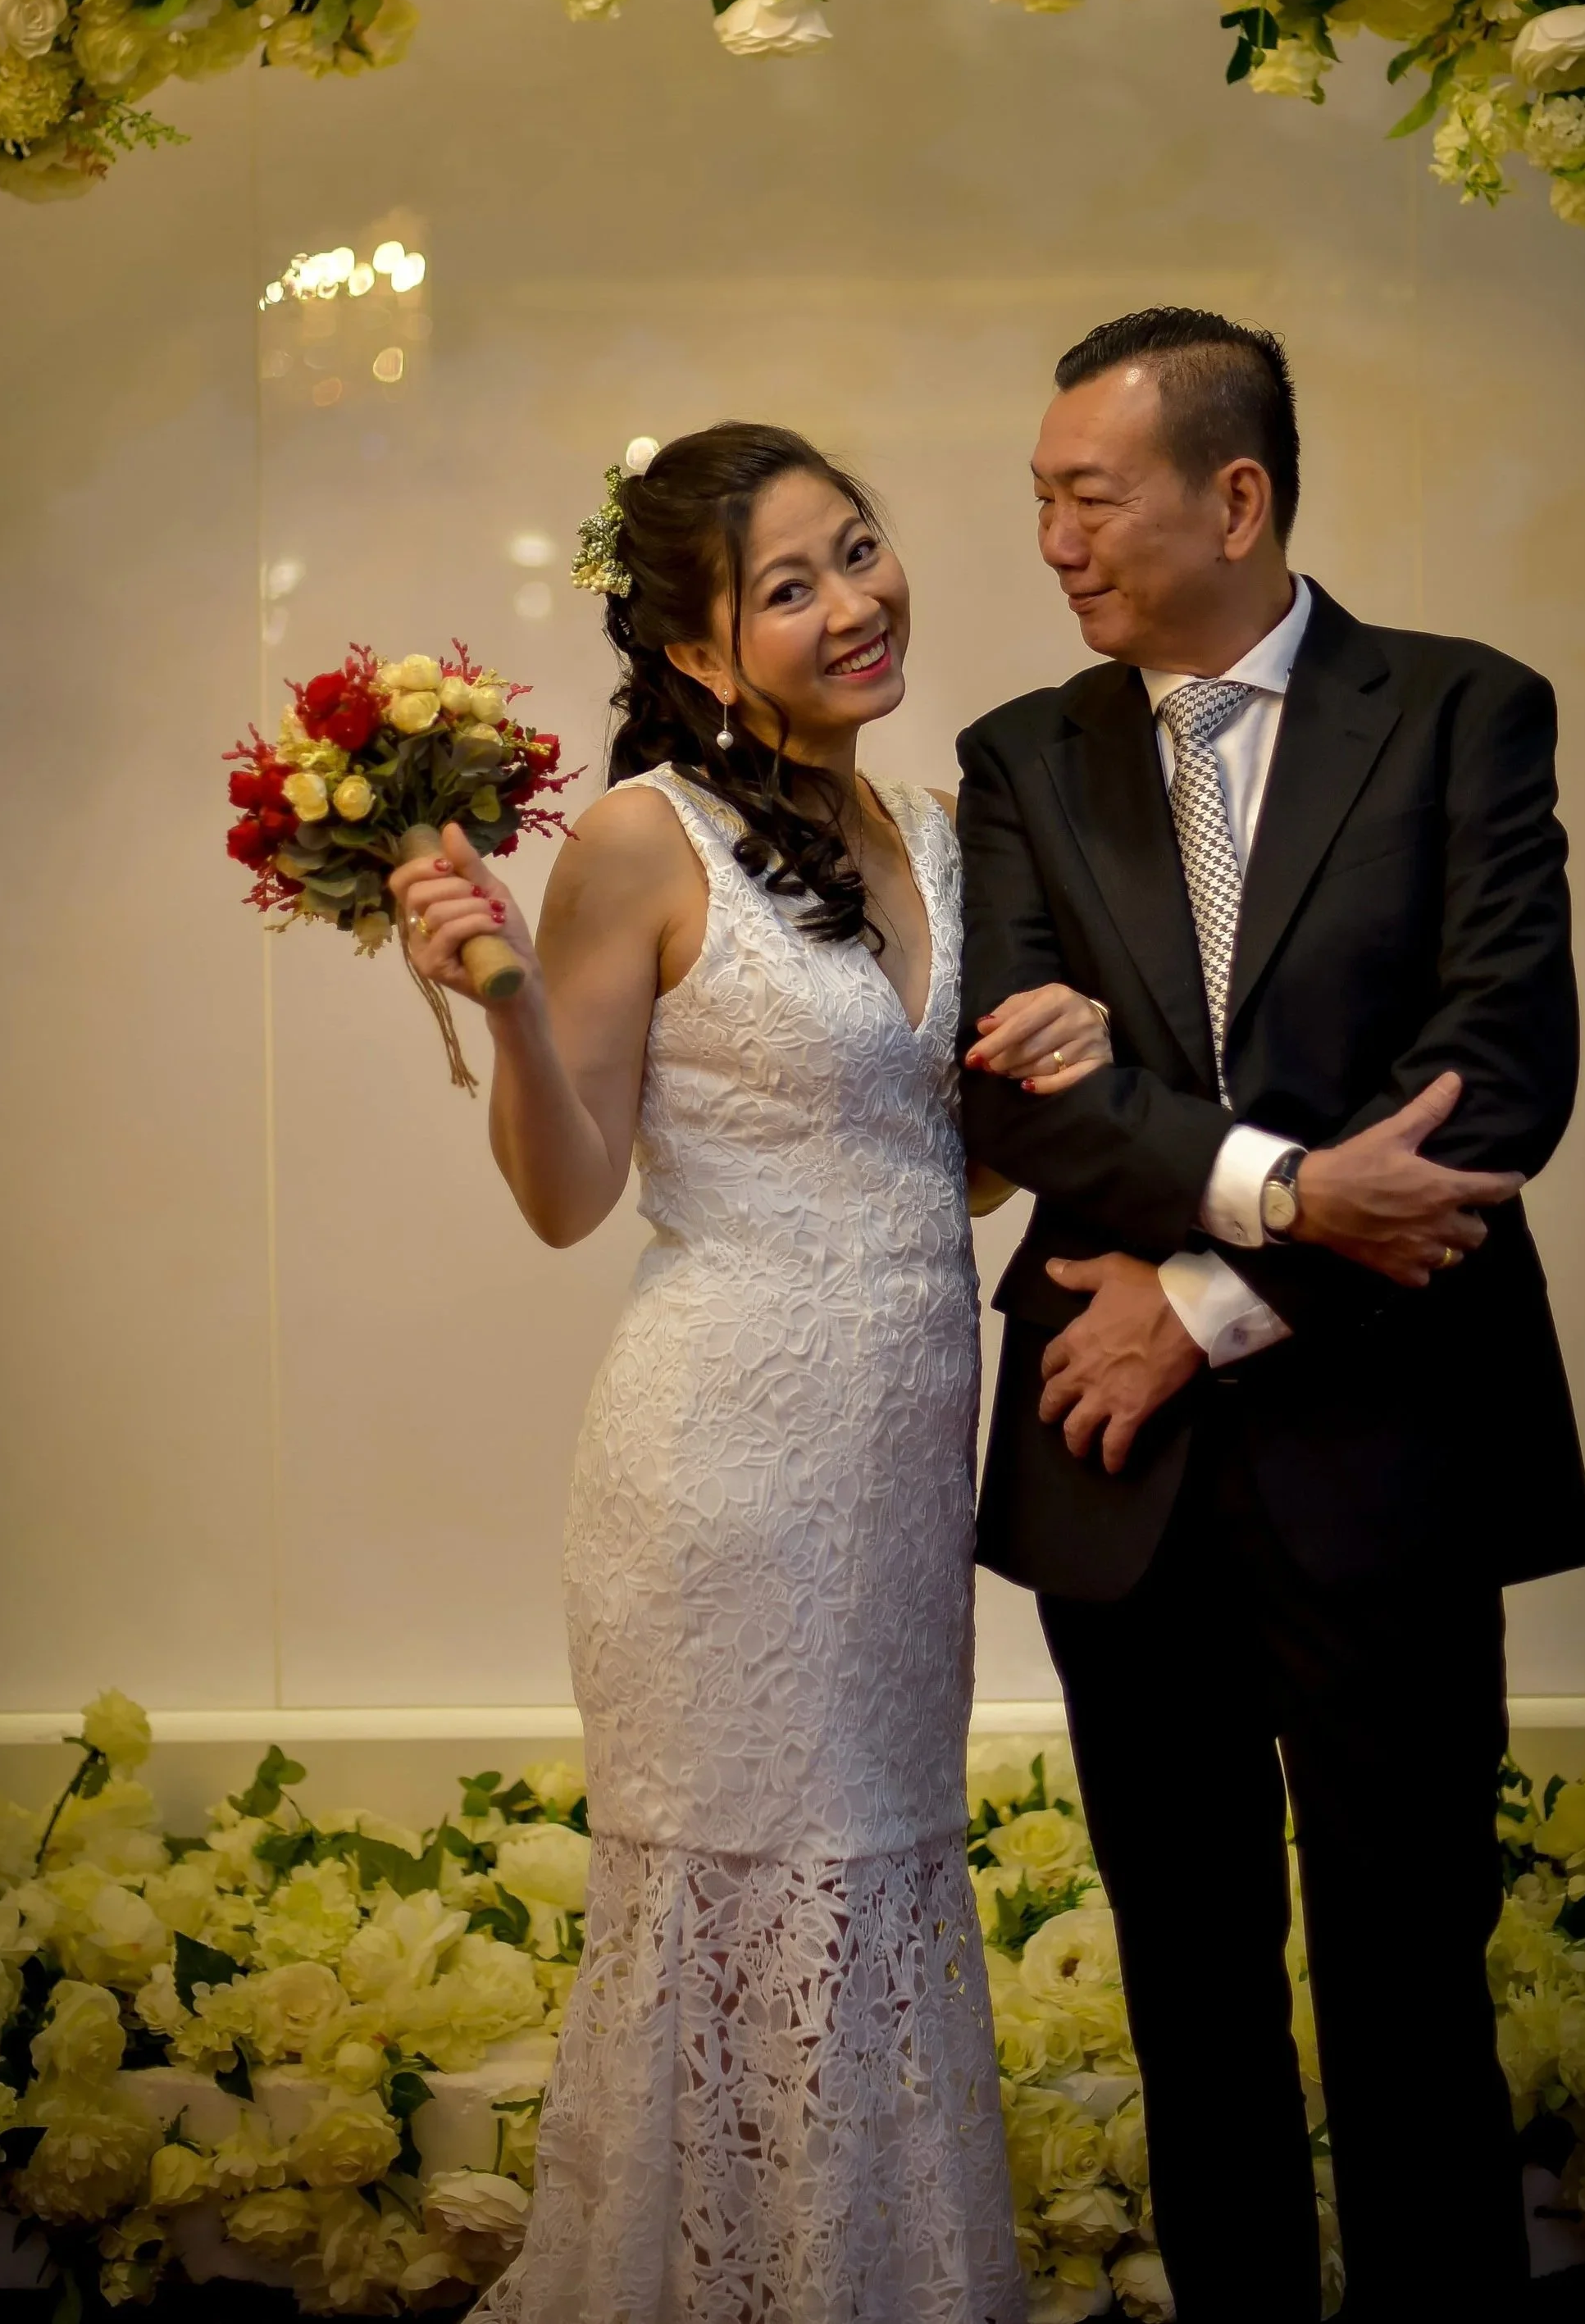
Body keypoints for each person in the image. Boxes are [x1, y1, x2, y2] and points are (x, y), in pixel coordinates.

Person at [394, 421, 1109, 2324]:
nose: (851, 604)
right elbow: (569, 1194)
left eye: (857, 552)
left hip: (890, 1464)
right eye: (786, 587)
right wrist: (499, 1011)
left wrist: (1038, 1068)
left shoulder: (932, 835)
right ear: (700, 650)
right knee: (744, 1893)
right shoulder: (643, 837)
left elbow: (925, 1178)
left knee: (878, 1867)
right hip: (717, 1467)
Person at [957, 308, 1585, 2324]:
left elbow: (1490, 1085)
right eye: (1038, 502)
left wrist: (1203, 1301)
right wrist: (1282, 1195)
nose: (1051, 543)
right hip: (1113, 1464)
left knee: (1413, 2004)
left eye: (1087, 497)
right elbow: (1011, 1089)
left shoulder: (1460, 715)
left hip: (1386, 1451)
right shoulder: (1017, 759)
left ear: (1232, 497)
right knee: (1193, 2007)